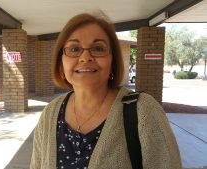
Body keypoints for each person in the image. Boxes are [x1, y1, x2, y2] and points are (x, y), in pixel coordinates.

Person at [30, 13, 182, 169]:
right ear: (61, 64)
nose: (85, 57)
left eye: (98, 48)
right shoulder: (50, 113)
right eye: (74, 49)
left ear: (113, 61)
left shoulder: (144, 111)